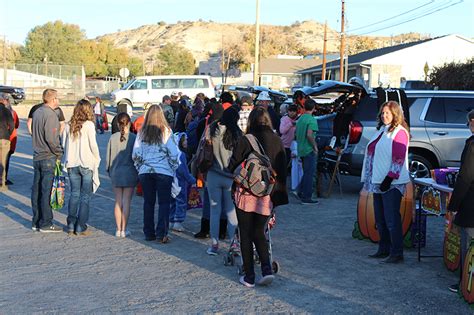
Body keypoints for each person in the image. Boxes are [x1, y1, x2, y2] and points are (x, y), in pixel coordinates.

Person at [228, 107, 289, 288]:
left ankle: (249, 276)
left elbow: (233, 166)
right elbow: (283, 170)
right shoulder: (277, 140)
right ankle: (266, 269)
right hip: (267, 195)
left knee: (245, 234)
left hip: (246, 194)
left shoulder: (246, 140)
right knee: (259, 232)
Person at [361, 100, 410, 264]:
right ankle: (384, 248)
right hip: (377, 181)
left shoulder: (399, 132)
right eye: (382, 113)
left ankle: (397, 252)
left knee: (391, 219)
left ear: (395, 114)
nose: (384, 116)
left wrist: (389, 179)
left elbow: (398, 159)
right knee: (380, 219)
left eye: (387, 113)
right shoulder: (382, 130)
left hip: (391, 183)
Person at [132, 105, 180, 243]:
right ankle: (161, 234)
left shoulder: (142, 132)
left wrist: (140, 167)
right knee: (164, 203)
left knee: (148, 203)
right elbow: (174, 153)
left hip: (146, 171)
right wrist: (172, 168)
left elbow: (136, 154)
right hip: (164, 171)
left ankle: (149, 233)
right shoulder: (166, 131)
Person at [62, 99, 101, 236]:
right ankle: (81, 226)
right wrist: (97, 159)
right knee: (85, 197)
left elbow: (63, 144)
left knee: (74, 194)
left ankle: (71, 224)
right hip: (86, 163)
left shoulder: (68, 125)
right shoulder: (89, 125)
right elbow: (93, 145)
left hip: (72, 163)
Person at [205, 107, 241, 255]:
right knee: (231, 212)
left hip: (213, 174)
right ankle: (234, 243)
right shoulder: (237, 133)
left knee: (215, 211)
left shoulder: (211, 130)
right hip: (231, 177)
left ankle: (214, 244)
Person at [447, 109, 474, 293]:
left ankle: (466, 284)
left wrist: (454, 205)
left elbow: (465, 177)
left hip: (471, 203)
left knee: (469, 244)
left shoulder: (472, 145)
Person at [31, 89, 64, 232]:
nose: (58, 101)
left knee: (37, 190)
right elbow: (51, 139)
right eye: (57, 98)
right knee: (46, 191)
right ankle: (46, 223)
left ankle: (36, 221)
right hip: (47, 156)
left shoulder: (37, 112)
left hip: (37, 155)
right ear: (53, 99)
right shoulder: (51, 115)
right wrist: (59, 152)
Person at [106, 113, 138, 238]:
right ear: (129, 123)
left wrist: (108, 170)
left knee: (118, 201)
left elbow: (108, 157)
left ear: (118, 124)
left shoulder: (113, 138)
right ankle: (124, 229)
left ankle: (118, 229)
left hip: (116, 172)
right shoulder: (134, 138)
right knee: (126, 201)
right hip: (130, 172)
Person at [169, 133, 196, 232]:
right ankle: (178, 222)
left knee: (173, 202)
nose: (186, 142)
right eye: (185, 140)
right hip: (179, 183)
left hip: (172, 182)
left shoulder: (172, 153)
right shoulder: (181, 155)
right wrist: (191, 179)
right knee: (181, 202)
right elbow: (183, 171)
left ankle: (171, 220)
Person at [295, 98, 319, 204]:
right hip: (309, 149)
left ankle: (300, 191)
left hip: (301, 148)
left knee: (306, 172)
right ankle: (306, 197)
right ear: (314, 108)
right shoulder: (312, 120)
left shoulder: (300, 119)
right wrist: (315, 147)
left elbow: (295, 134)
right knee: (309, 173)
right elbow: (309, 135)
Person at [0, 93, 18, 186]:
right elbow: (15, 125)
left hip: (7, 138)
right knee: (5, 160)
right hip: (7, 138)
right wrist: (8, 134)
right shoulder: (11, 112)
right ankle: (3, 180)